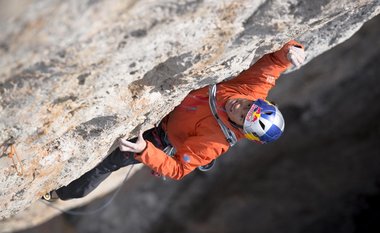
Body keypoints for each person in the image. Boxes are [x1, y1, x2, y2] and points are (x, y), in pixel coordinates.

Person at [43, 40, 305, 201]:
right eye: (249, 105)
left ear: (240, 128)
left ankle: (61, 193)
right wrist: (291, 51)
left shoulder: (214, 143)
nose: (240, 105)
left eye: (242, 114)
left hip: (160, 136)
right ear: (260, 102)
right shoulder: (251, 92)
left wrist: (145, 151)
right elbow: (272, 64)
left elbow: (178, 169)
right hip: (166, 110)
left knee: (105, 166)